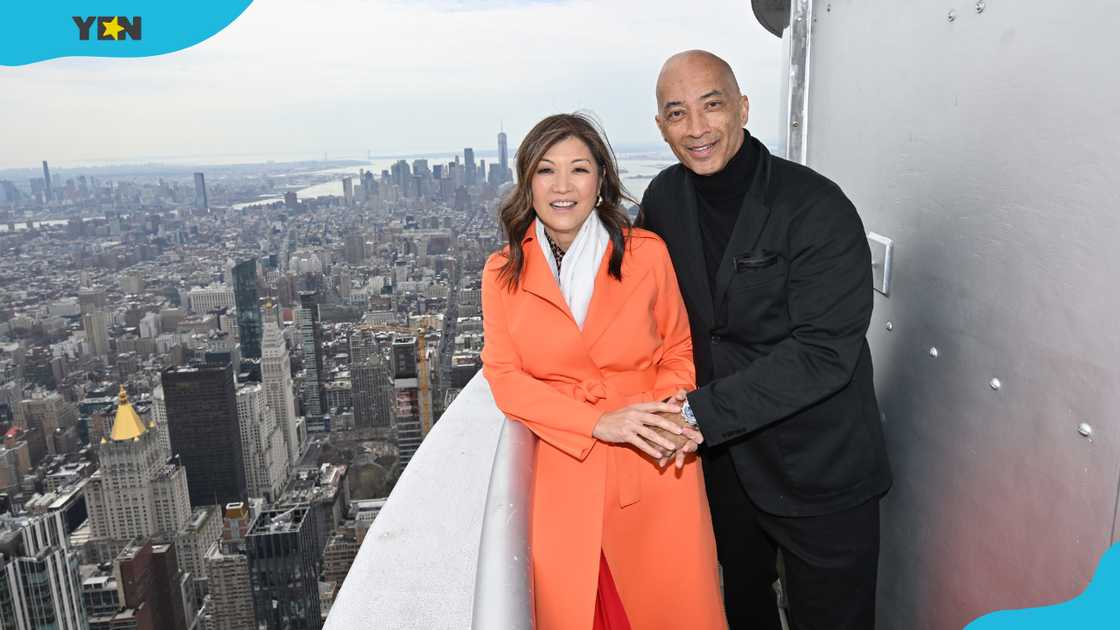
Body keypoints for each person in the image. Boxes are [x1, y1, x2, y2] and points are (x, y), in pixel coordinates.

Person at [638, 50, 893, 630]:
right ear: (661, 127)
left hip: (820, 469)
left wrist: (696, 415)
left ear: (743, 107)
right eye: (677, 113)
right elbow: (635, 294)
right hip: (725, 472)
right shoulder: (663, 200)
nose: (697, 128)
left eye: (712, 105)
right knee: (741, 610)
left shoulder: (817, 207)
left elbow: (824, 353)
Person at [481, 113, 728, 630]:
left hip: (654, 463)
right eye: (546, 171)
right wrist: (596, 422)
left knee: (669, 609)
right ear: (528, 182)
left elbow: (677, 348)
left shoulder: (647, 255)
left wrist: (661, 415)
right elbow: (505, 378)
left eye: (579, 169)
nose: (563, 186)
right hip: (564, 466)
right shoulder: (502, 272)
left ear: (601, 181)